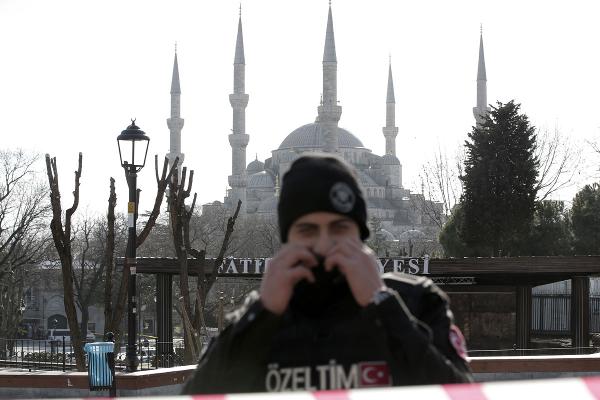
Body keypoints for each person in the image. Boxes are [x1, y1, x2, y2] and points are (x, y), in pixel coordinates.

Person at [182, 154, 472, 394]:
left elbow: (458, 394)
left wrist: (383, 306)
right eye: (308, 231)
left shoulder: (416, 302)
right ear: (287, 240)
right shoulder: (262, 317)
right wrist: (262, 314)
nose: (323, 244)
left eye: (339, 229)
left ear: (360, 235)